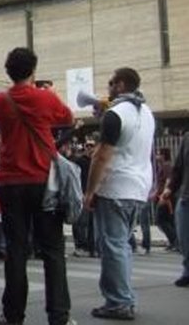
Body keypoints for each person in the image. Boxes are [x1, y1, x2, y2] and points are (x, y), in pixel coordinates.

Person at [0, 47, 75, 325]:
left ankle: (12, 314)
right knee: (52, 249)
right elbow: (68, 118)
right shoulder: (45, 98)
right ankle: (59, 316)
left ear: (8, 72)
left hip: (10, 183)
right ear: (33, 70)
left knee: (15, 249)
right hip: (42, 182)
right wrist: (47, 93)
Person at [84, 67, 155, 320]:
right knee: (121, 245)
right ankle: (124, 298)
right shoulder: (146, 112)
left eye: (111, 82)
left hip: (115, 187)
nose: (108, 87)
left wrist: (90, 190)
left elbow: (102, 155)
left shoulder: (115, 114)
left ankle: (118, 302)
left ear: (122, 85)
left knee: (113, 246)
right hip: (138, 188)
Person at [161, 133, 189, 287]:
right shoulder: (187, 138)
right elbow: (178, 168)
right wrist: (169, 189)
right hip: (186, 196)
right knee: (184, 238)